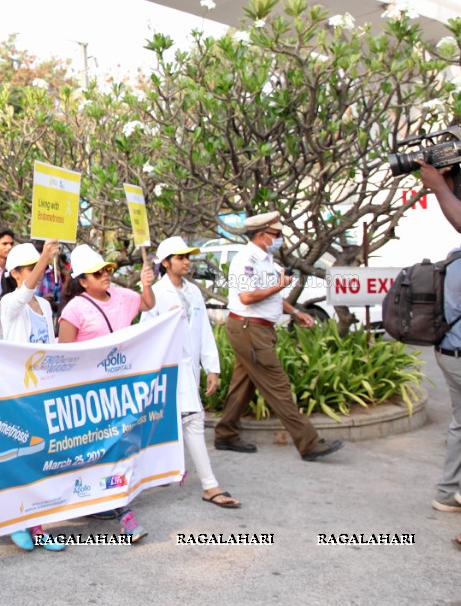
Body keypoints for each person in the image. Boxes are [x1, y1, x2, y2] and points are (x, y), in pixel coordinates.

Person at [214, 211, 344, 461]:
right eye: (276, 235)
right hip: (249, 329)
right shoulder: (246, 260)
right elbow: (247, 297)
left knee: (243, 384)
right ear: (262, 235)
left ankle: (225, 433)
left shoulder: (266, 259)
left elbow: (272, 296)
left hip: (256, 330)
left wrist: (296, 312)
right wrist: (279, 286)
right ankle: (309, 443)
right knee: (278, 386)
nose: (280, 239)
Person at [58, 244, 156, 542]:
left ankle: (123, 511)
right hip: (89, 394)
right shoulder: (75, 308)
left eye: (107, 270)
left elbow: (147, 306)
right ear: (82, 281)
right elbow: (64, 354)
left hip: (120, 388)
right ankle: (104, 502)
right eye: (97, 273)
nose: (105, 275)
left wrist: (147, 285)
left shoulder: (124, 297)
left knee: (120, 447)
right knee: (97, 450)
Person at [141, 237, 240, 509]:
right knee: (193, 421)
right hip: (169, 370)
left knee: (172, 421)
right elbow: (145, 331)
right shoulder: (157, 293)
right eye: (180, 257)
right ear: (165, 262)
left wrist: (213, 367)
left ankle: (155, 474)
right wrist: (163, 318)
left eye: (188, 256)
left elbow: (204, 331)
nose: (186, 261)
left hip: (190, 369)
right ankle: (210, 485)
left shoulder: (194, 292)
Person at [416, 161, 461, 552]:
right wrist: (439, 187)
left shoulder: (457, 257)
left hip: (451, 356)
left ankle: (449, 492)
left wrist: (452, 183)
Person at [0, 240, 65, 550]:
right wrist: (45, 258)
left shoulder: (46, 306)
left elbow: (49, 348)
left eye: (37, 268)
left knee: (41, 461)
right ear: (14, 273)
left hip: (42, 395)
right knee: (21, 460)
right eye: (28, 269)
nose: (36, 275)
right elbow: (26, 290)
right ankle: (16, 521)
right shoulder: (10, 303)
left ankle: (37, 524)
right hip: (17, 395)